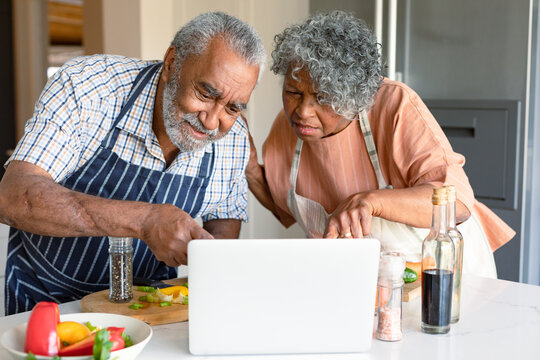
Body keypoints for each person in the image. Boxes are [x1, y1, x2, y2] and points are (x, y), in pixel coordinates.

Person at [0, 11, 266, 315]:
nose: (211, 120)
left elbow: (223, 220)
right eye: (205, 93)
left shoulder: (233, 140)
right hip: (47, 302)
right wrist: (145, 220)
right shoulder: (88, 88)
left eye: (232, 108)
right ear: (171, 64)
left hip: (151, 312)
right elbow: (12, 197)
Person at [246, 11, 514, 278]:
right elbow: (282, 205)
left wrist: (370, 201)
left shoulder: (394, 105)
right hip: (362, 281)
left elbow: (456, 202)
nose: (303, 111)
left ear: (355, 94)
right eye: (293, 92)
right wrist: (249, 168)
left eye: (324, 97)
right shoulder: (288, 125)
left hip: (441, 277)